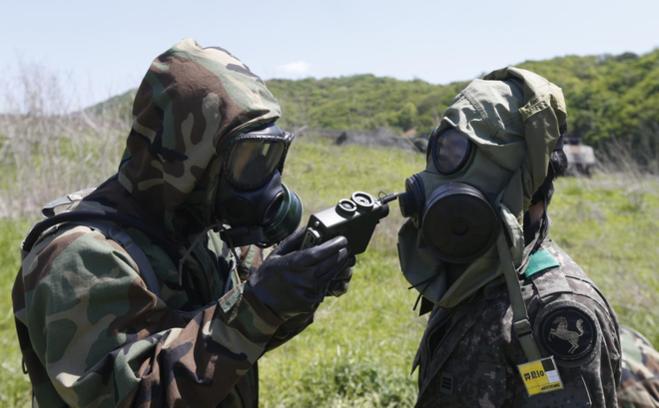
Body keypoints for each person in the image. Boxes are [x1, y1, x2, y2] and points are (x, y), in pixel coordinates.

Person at [12, 39, 354, 407]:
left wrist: (295, 291)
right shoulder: (82, 258)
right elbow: (138, 397)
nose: (264, 179)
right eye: (247, 159)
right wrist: (259, 304)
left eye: (268, 156)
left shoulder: (204, 234)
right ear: (188, 157)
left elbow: (234, 348)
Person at [396, 67, 622, 406]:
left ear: (525, 183)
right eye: (442, 155)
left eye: (460, 158)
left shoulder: (555, 314)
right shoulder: (475, 271)